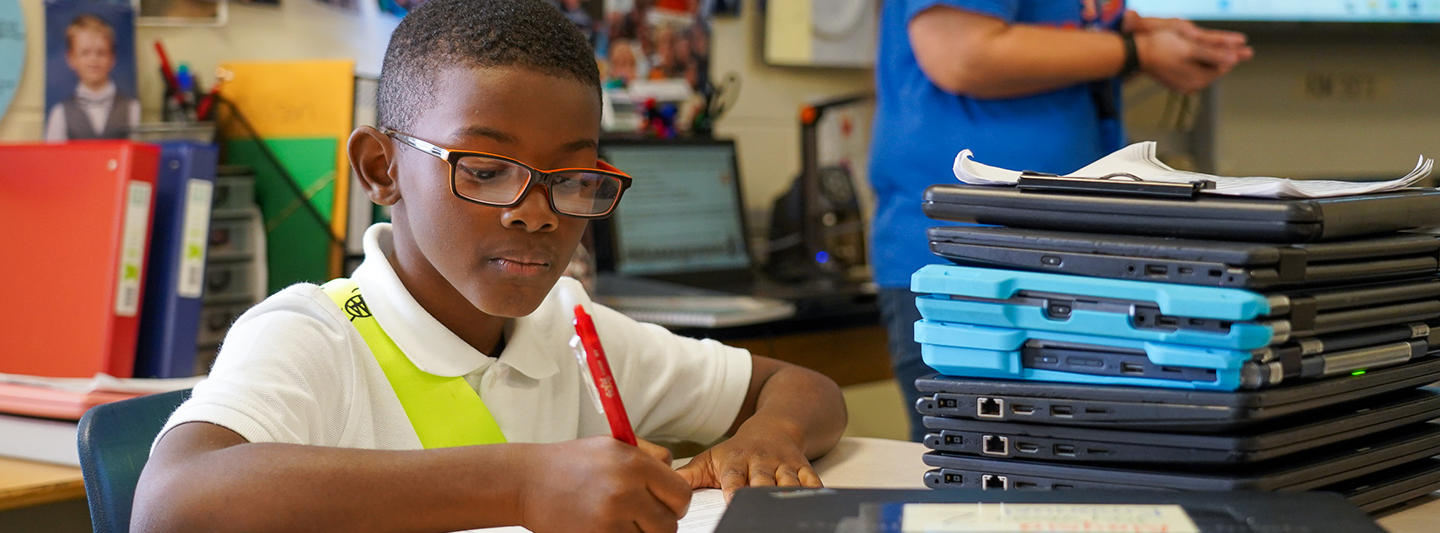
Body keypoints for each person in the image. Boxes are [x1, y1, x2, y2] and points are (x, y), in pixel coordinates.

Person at [131, 1, 847, 531]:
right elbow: (172, 501)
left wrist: (767, 438)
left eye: (572, 176)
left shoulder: (569, 327)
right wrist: (522, 483)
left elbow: (803, 386)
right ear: (381, 169)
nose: (536, 211)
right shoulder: (317, 333)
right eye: (484, 168)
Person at [869, 0, 1254, 442]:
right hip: (971, 261)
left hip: (1070, 254)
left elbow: (1045, 42)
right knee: (981, 475)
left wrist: (1140, 36)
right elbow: (964, 54)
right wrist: (1135, 50)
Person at [44, 14, 139, 142]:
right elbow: (53, 159)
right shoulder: (60, 113)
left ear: (112, 58)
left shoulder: (132, 109)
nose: (93, 60)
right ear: (71, 58)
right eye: (85, 53)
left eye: (101, 53)